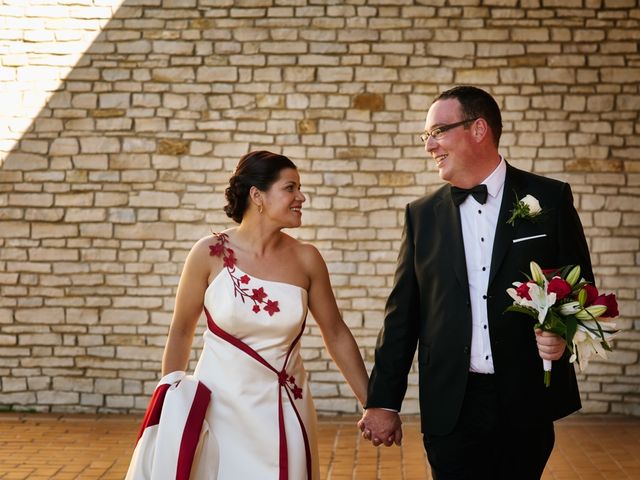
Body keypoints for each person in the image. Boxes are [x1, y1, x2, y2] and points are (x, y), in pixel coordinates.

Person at [358, 86, 593, 480]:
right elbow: (403, 316)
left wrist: (562, 335)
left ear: (479, 129)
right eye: (426, 136)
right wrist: (383, 401)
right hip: (451, 405)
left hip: (525, 401)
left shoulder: (548, 199)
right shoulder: (422, 216)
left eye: (438, 132)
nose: (429, 145)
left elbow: (581, 289)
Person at [127, 150, 368, 479]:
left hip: (285, 408)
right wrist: (170, 402)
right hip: (218, 409)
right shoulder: (208, 253)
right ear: (258, 195)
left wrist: (373, 403)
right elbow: (181, 330)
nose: (302, 196)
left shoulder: (307, 259)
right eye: (290, 188)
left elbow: (336, 333)